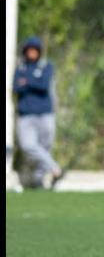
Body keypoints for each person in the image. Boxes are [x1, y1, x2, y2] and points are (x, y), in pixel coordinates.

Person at [13, 37, 65, 189]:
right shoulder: (20, 68)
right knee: (28, 145)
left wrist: (27, 82)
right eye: (29, 50)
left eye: (34, 50)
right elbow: (16, 87)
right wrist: (32, 81)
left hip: (45, 114)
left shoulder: (46, 66)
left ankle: (38, 180)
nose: (32, 53)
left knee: (45, 146)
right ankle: (56, 169)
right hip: (26, 114)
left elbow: (43, 85)